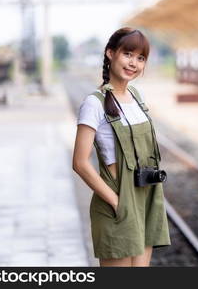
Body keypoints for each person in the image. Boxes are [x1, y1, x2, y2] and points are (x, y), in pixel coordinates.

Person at [72, 27, 171, 267]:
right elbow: (80, 163)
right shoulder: (94, 104)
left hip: (146, 195)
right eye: (128, 54)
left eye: (140, 58)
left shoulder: (137, 96)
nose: (133, 63)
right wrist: (116, 202)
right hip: (117, 198)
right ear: (110, 53)